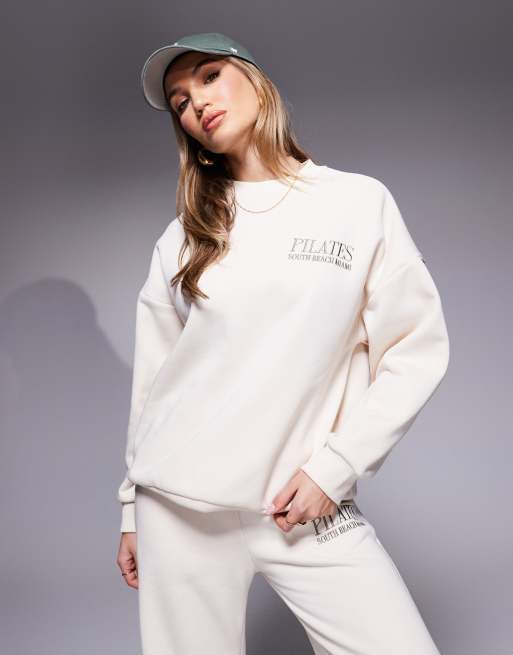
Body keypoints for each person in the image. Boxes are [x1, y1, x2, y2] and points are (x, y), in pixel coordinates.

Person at [115, 32, 450, 654]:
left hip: (304, 506)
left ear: (255, 79)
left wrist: (335, 467)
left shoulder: (358, 203)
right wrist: (133, 510)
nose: (197, 103)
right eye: (181, 101)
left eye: (209, 77)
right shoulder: (183, 238)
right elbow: (154, 386)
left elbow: (415, 351)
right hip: (180, 512)